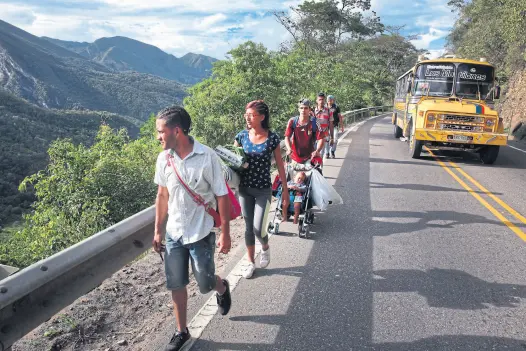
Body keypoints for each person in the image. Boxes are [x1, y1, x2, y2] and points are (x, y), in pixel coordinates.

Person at [152, 106, 232, 351]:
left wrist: (226, 233)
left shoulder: (207, 157)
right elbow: (162, 196)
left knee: (205, 283)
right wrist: (157, 230)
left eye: (160, 131)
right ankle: (181, 331)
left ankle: (222, 287)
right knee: (176, 283)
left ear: (176, 131)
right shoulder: (163, 159)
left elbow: (222, 195)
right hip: (174, 233)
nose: (158, 137)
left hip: (200, 232)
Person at [234, 100, 289, 279]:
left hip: (263, 190)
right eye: (246, 115)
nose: (247, 118)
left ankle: (265, 247)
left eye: (251, 115)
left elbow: (280, 166)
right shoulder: (241, 136)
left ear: (262, 117)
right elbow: (232, 160)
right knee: (248, 228)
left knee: (259, 228)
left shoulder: (272, 138)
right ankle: (250, 263)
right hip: (244, 189)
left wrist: (285, 191)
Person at [284, 99, 325, 171]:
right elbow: (287, 137)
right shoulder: (292, 121)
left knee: (315, 177)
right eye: (301, 108)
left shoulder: (314, 122)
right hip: (295, 157)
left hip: (310, 157)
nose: (303, 110)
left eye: (306, 108)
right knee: (296, 180)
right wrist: (289, 149)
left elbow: (321, 138)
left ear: (309, 109)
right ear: (298, 109)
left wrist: (317, 151)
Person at [314, 92, 335, 159]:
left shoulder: (329, 111)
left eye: (323, 99)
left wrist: (332, 138)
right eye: (320, 99)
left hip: (323, 137)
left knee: (320, 155)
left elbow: (331, 125)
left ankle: (320, 168)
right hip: (313, 137)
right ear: (316, 100)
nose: (321, 101)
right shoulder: (312, 111)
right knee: (312, 157)